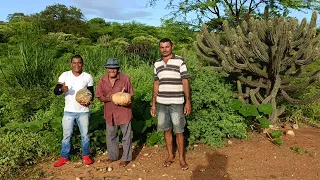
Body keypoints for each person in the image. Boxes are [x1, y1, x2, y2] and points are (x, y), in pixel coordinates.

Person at [150, 38, 191, 170]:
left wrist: (188, 101)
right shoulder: (157, 63)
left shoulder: (179, 61)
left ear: (172, 47)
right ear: (159, 48)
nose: (164, 49)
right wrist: (153, 104)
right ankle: (170, 156)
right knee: (166, 130)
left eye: (167, 47)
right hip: (162, 102)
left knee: (179, 131)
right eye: (162, 47)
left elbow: (185, 81)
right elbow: (156, 83)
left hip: (177, 102)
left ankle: (181, 159)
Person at [53, 55, 94, 167]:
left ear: (82, 64)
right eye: (74, 63)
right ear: (71, 64)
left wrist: (89, 101)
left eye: (79, 63)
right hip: (68, 111)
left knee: (85, 135)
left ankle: (86, 155)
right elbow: (56, 91)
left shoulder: (88, 77)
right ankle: (64, 157)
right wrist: (62, 89)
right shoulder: (65, 75)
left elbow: (91, 94)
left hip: (83, 111)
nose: (77, 65)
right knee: (66, 135)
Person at [96, 58, 134, 167]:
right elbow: (99, 96)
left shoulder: (125, 79)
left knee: (126, 136)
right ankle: (113, 157)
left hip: (124, 112)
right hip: (110, 113)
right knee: (111, 135)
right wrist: (111, 98)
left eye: (115, 68)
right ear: (106, 69)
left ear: (118, 69)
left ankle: (126, 158)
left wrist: (127, 100)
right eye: (110, 68)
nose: (112, 70)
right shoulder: (103, 80)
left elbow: (131, 95)